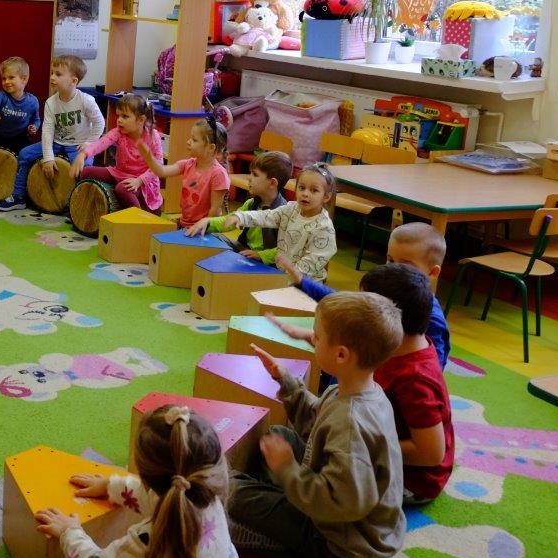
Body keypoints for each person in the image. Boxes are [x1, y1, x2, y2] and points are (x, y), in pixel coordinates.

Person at [228, 292, 405, 558]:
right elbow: (318, 421)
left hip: (339, 544)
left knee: (232, 489)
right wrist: (286, 381)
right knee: (276, 434)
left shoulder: (351, 423)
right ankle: (281, 500)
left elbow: (338, 503)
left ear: (341, 355)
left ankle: (274, 537)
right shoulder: (358, 391)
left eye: (317, 337)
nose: (311, 339)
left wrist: (287, 469)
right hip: (340, 508)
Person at [33, 404, 240, 558]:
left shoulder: (145, 542)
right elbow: (159, 496)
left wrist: (69, 533)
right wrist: (111, 486)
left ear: (145, 480)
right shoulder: (208, 498)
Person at [274, 221, 450, 368]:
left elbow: (433, 366)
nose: (393, 268)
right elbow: (346, 302)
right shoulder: (388, 288)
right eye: (390, 260)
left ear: (433, 272)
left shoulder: (431, 318)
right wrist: (302, 281)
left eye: (405, 265)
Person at [359, 264, 454, 504]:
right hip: (387, 447)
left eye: (363, 310)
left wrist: (364, 446)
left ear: (389, 321)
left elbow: (431, 453)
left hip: (413, 480)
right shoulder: (403, 344)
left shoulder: (414, 378)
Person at [187, 161, 337, 282]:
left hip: (305, 283)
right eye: (302, 188)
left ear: (326, 196)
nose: (305, 194)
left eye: (314, 190)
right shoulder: (290, 209)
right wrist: (239, 217)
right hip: (282, 274)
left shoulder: (323, 228)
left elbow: (312, 262)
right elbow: (266, 216)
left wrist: (285, 277)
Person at [0, 54, 105, 212]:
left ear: (73, 81)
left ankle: (78, 206)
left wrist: (89, 144)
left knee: (84, 169)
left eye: (58, 74)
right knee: (25, 154)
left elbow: (100, 123)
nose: (52, 77)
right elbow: (47, 131)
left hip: (78, 145)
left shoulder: (86, 100)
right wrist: (48, 158)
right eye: (52, 73)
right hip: (56, 142)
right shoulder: (51, 102)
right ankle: (19, 196)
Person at [70, 92, 163, 213]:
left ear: (140, 120)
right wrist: (83, 154)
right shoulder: (118, 132)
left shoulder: (152, 136)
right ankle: (80, 209)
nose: (119, 120)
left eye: (125, 116)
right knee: (84, 172)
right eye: (118, 115)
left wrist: (139, 181)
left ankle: (138, 219)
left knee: (122, 188)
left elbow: (158, 165)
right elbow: (100, 143)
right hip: (119, 173)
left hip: (142, 182)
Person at [137, 116, 231, 228]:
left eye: (194, 140)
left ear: (211, 148)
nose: (188, 142)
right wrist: (148, 156)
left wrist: (202, 230)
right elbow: (161, 171)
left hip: (202, 229)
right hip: (184, 224)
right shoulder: (188, 164)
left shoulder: (218, 174)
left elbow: (214, 211)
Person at [202, 150, 292, 262]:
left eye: (255, 174)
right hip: (244, 250)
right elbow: (229, 221)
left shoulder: (284, 213)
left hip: (265, 261)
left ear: (272, 183)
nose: (249, 178)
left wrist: (260, 255)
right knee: (211, 236)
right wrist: (207, 223)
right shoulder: (251, 203)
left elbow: (285, 250)